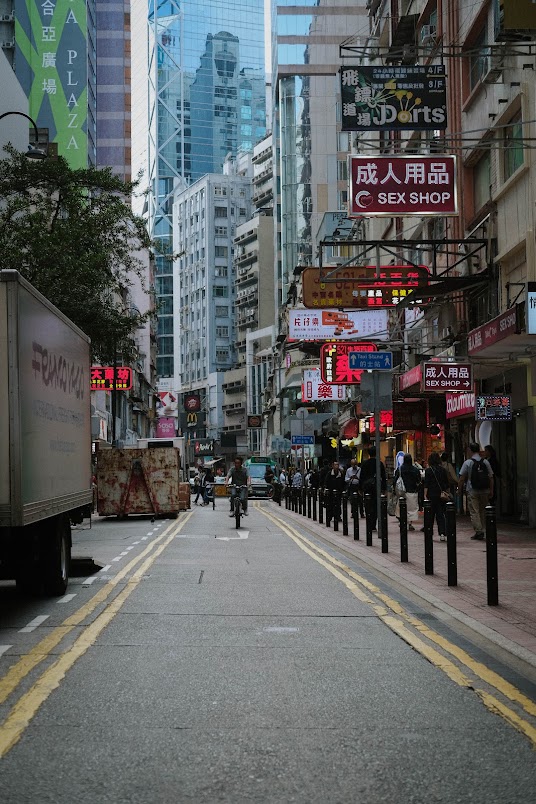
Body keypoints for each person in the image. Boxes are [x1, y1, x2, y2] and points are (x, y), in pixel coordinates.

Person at [457, 442, 494, 540]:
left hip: (472, 490)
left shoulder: (468, 463)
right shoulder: (485, 462)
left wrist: (459, 490)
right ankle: (482, 529)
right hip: (485, 490)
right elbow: (491, 477)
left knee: (474, 511)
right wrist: (491, 490)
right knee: (482, 511)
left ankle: (479, 531)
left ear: (470, 450)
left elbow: (461, 478)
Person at [358, 447, 387, 531]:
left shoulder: (365, 464)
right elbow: (383, 477)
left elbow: (361, 477)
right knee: (376, 506)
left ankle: (369, 524)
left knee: (368, 506)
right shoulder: (379, 463)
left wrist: (360, 488)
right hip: (377, 487)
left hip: (367, 488)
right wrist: (384, 489)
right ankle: (374, 524)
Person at [424, 452, 450, 541]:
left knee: (430, 515)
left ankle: (429, 532)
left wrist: (425, 495)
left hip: (431, 495)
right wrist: (447, 493)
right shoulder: (442, 470)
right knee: (440, 515)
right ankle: (442, 533)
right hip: (440, 495)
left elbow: (426, 484)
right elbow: (446, 484)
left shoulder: (428, 470)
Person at [394, 454, 422, 531]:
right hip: (412, 491)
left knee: (401, 508)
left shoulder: (400, 469)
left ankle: (402, 522)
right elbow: (419, 481)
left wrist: (394, 490)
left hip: (401, 492)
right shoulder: (415, 470)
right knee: (411, 509)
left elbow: (395, 480)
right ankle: (409, 523)